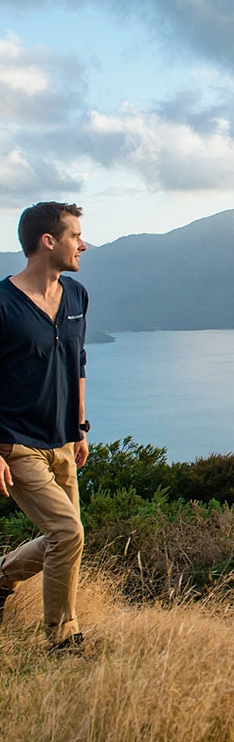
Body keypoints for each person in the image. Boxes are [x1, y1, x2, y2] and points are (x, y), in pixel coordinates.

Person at [0, 201, 90, 655]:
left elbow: (77, 361)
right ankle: (62, 639)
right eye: (76, 235)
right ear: (48, 241)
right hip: (16, 444)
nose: (83, 244)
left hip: (62, 441)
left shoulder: (76, 295)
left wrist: (80, 427)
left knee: (67, 534)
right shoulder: (2, 304)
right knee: (68, 534)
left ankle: (0, 578)